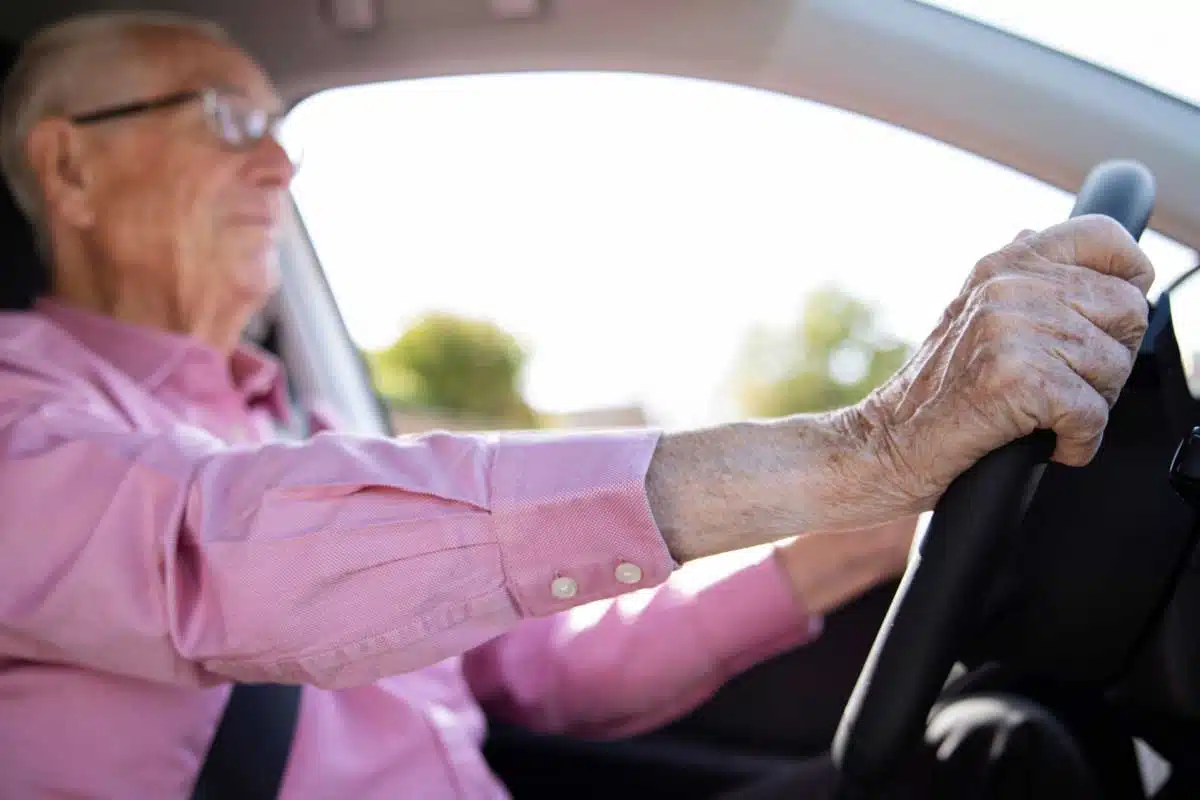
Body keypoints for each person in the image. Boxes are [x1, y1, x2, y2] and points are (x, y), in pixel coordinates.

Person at [0, 11, 1153, 800]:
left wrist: (859, 538)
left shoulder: (297, 431)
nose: (279, 169)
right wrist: (859, 448)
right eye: (230, 120)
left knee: (999, 757)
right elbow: (214, 553)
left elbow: (540, 675)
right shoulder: (23, 405)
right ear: (70, 168)